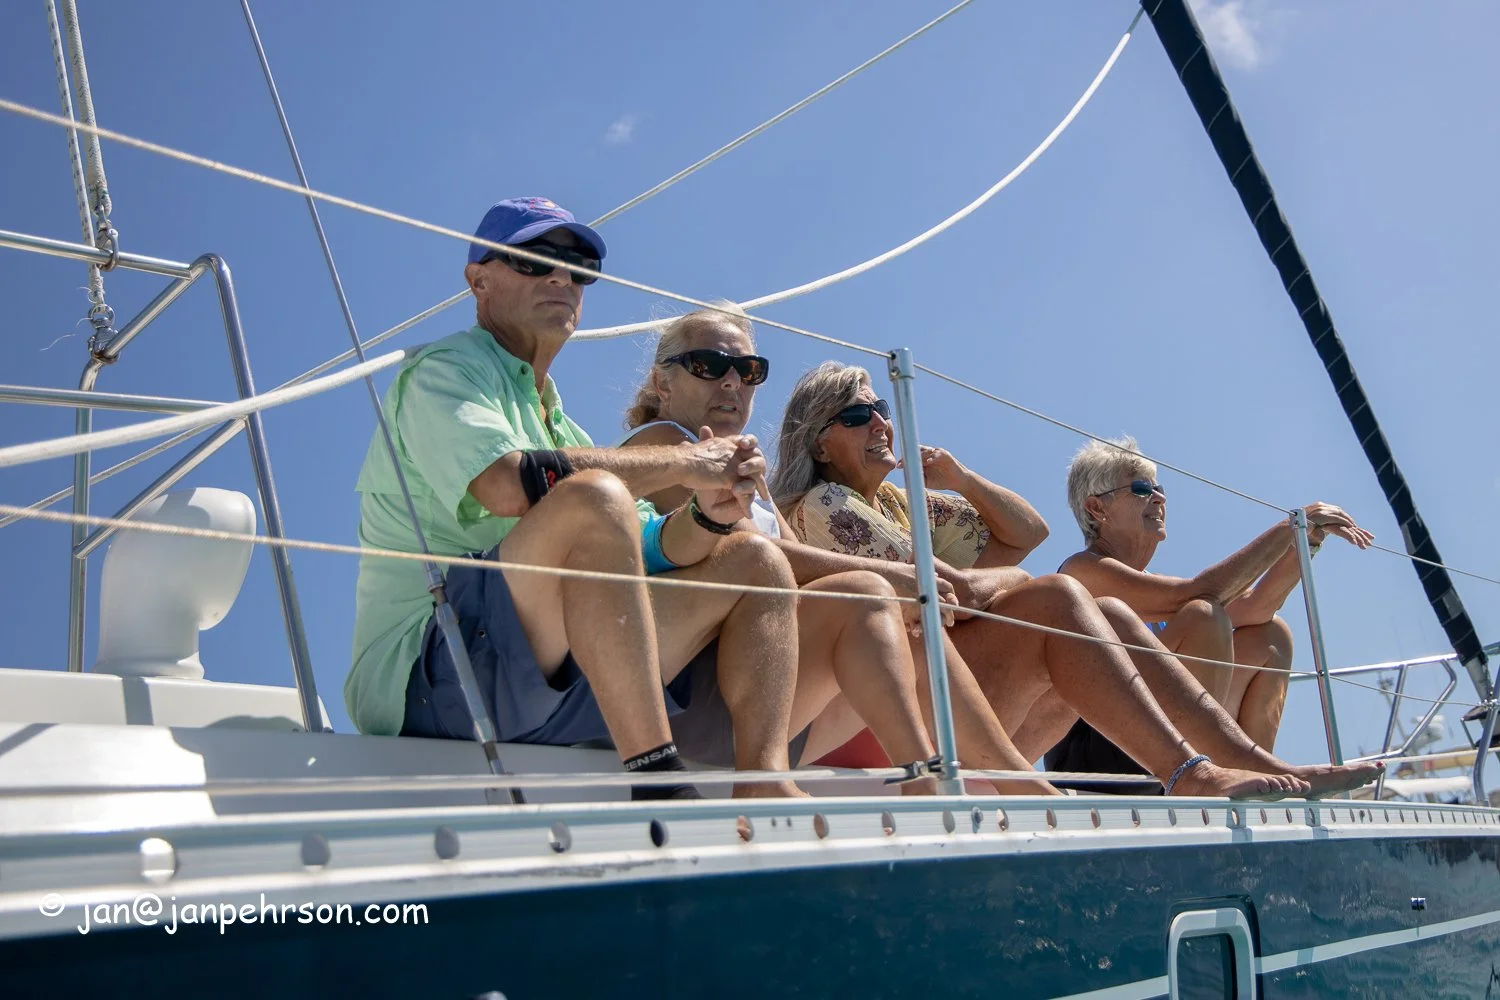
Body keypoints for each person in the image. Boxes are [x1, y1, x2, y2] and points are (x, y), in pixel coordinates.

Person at [348, 197, 801, 799]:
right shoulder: (442, 371)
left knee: (758, 561)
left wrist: (707, 514)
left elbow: (650, 546)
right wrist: (689, 463)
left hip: (547, 674)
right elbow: (506, 482)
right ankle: (655, 776)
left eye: (578, 266)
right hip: (431, 674)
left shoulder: (564, 428)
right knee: (591, 496)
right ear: (478, 280)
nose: (561, 277)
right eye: (536, 259)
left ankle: (765, 783)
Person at [772, 361, 1384, 798]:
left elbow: (1022, 535)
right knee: (1070, 596)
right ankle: (1192, 773)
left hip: (939, 689)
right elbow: (943, 591)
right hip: (871, 716)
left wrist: (961, 480)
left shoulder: (899, 505)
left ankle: (1226, 763)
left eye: (883, 408)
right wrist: (1290, 530)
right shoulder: (824, 504)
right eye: (860, 415)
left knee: (1115, 615)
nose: (883, 422)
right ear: (821, 442)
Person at [619, 305, 1018, 794]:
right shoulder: (663, 445)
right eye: (708, 364)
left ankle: (984, 777)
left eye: (747, 370)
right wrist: (896, 579)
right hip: (693, 698)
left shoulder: (745, 469)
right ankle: (937, 780)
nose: (731, 382)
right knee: (874, 593)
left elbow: (788, 560)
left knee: (900, 612)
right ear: (663, 385)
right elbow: (757, 554)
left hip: (761, 692)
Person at [1052, 436, 1372, 774]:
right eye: (1142, 489)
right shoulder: (1082, 571)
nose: (1159, 497)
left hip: (1153, 736)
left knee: (1270, 636)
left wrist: (1306, 538)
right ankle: (1214, 771)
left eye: (1159, 488)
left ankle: (1252, 776)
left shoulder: (1154, 587)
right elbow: (1198, 596)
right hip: (1099, 753)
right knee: (1203, 616)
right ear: (1097, 508)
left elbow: (1255, 608)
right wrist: (1289, 526)